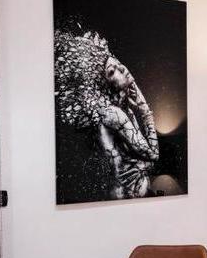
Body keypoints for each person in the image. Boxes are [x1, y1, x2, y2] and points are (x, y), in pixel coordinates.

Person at [55, 29, 159, 199]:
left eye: (118, 64)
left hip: (131, 198)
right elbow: (153, 154)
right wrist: (145, 110)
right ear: (103, 84)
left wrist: (142, 164)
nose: (121, 69)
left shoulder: (122, 111)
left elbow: (144, 161)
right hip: (126, 197)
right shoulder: (113, 114)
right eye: (112, 71)